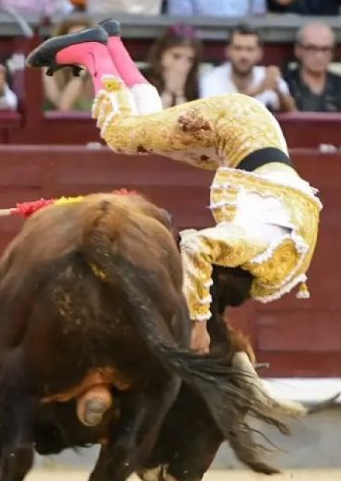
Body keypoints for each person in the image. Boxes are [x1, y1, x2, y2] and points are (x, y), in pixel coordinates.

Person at [27, 19, 321, 358]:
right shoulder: (259, 256)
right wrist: (197, 326)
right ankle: (92, 54)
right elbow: (197, 246)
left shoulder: (283, 259)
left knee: (146, 126)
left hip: (246, 139)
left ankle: (114, 44)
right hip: (238, 133)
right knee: (121, 133)